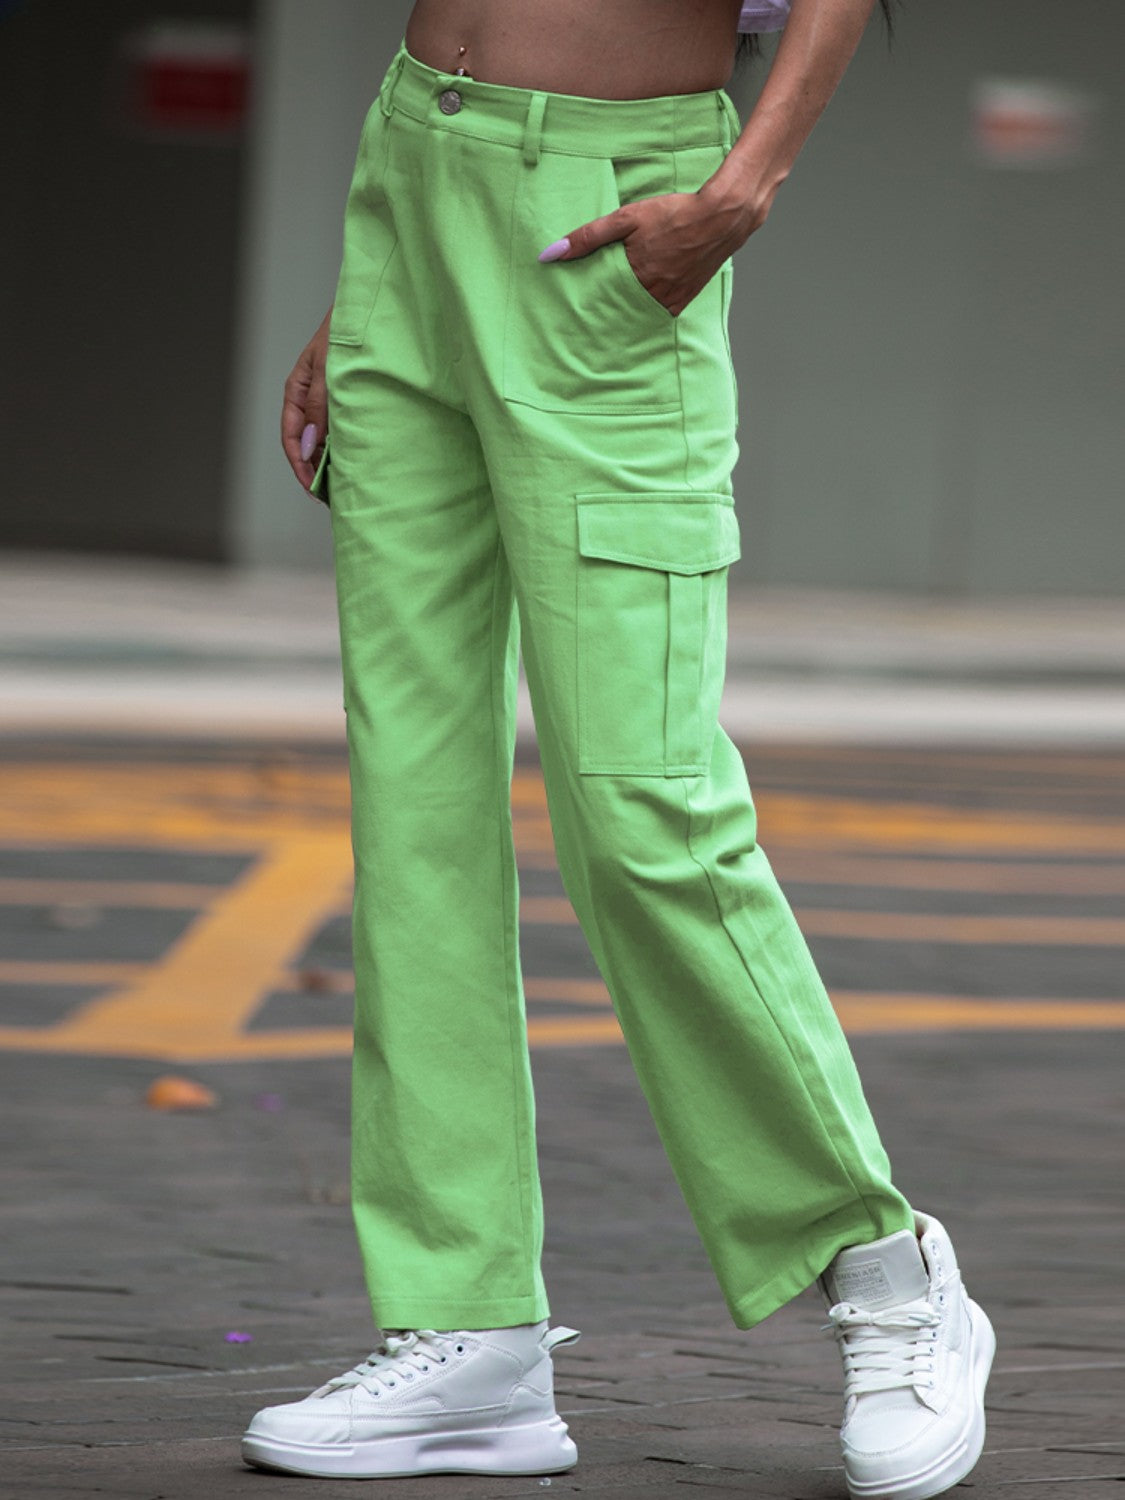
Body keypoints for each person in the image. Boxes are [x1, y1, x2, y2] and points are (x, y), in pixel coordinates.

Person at [241, 2, 995, 1495]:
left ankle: (885, 1268)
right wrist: (379, 285)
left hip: (609, 214)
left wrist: (739, 190)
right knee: (416, 810)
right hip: (414, 171)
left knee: (643, 805)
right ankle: (467, 1326)